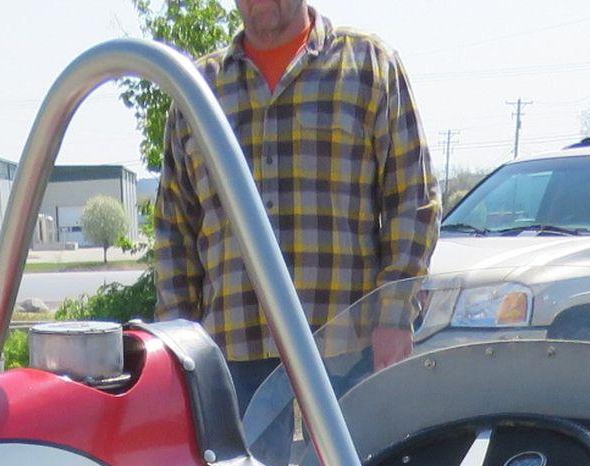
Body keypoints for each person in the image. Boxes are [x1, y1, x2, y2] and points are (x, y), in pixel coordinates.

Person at [152, 2, 440, 411]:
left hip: (348, 352)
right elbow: (173, 231)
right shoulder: (197, 91)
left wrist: (394, 316)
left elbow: (413, 196)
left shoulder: (369, 67)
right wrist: (178, 348)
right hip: (235, 355)